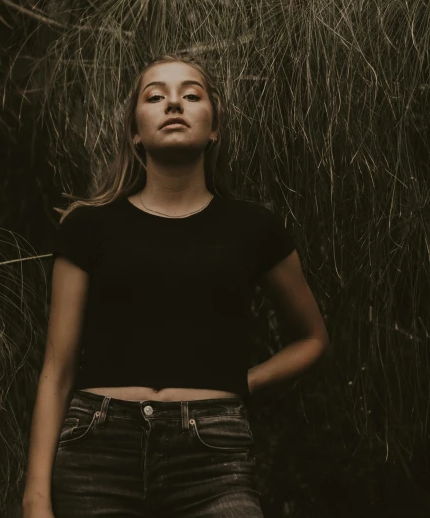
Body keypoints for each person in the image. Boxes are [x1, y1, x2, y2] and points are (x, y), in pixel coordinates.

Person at [22, 53, 330, 518]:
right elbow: (57, 370)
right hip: (97, 454)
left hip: (213, 459)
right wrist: (36, 497)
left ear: (214, 129)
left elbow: (312, 339)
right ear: (134, 131)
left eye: (191, 94)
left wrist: (241, 384)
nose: (173, 104)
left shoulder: (254, 228)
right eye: (155, 96)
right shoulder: (88, 226)